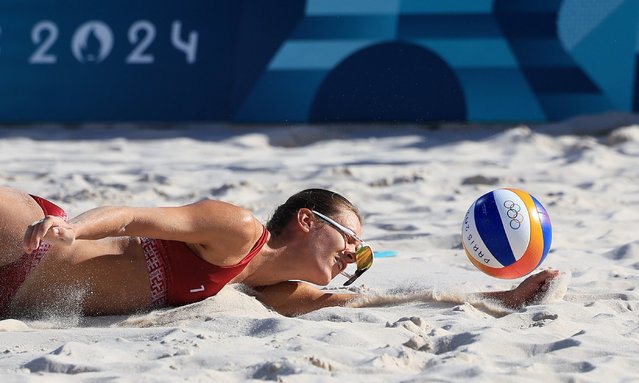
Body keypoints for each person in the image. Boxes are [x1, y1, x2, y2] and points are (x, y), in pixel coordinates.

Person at [0, 186, 560, 318]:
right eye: (350, 240)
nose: (352, 256)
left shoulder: (266, 290)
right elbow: (131, 215)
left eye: (361, 253)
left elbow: (372, 304)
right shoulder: (236, 230)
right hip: (33, 238)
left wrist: (500, 296)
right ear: (306, 221)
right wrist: (68, 225)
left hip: (14, 298)